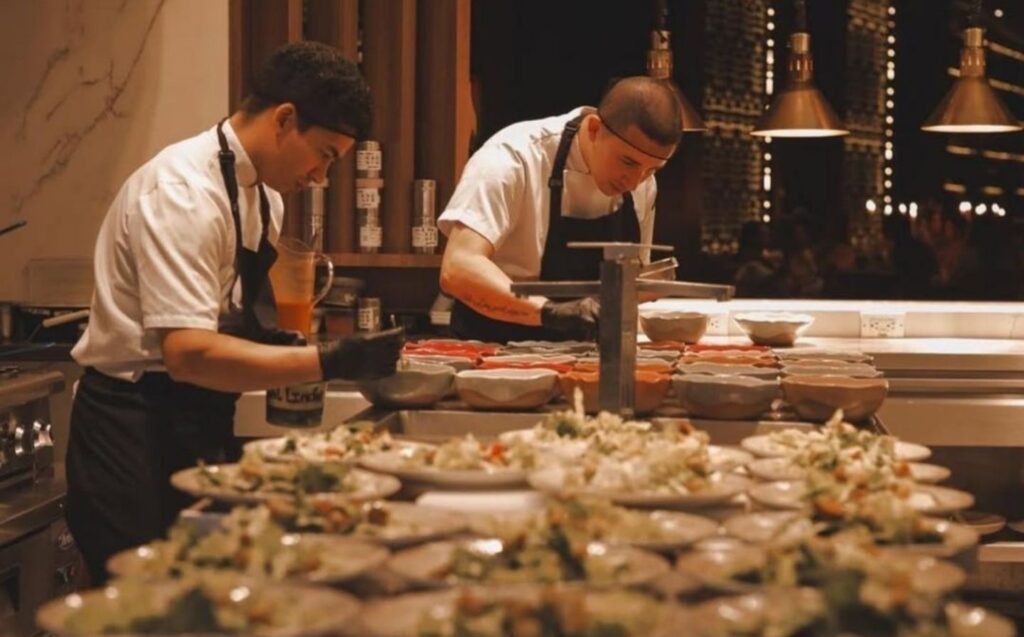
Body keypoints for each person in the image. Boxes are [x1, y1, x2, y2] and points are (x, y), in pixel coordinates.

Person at [66, 41, 404, 583]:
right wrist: (331, 360)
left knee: (209, 593)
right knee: (148, 606)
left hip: (197, 419)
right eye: (325, 155)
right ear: (285, 119)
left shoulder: (262, 196)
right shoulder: (182, 192)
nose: (321, 176)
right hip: (133, 426)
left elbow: (221, 319)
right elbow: (189, 354)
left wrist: (273, 343)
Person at [438, 76, 683, 343]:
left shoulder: (643, 184)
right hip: (493, 349)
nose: (636, 181)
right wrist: (552, 312)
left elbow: (633, 277)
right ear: (593, 129)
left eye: (652, 170)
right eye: (628, 161)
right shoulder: (512, 157)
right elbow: (458, 268)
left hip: (585, 358)